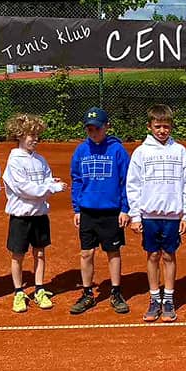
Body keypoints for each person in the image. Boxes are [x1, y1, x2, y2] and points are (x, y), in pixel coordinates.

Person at [126, 105, 186, 323]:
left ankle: (169, 299)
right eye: (158, 126)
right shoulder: (141, 152)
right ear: (149, 127)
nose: (162, 130)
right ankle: (155, 298)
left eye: (166, 126)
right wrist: (135, 216)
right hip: (149, 215)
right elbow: (133, 185)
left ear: (171, 126)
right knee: (153, 256)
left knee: (168, 256)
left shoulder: (180, 151)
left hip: (173, 216)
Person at [69, 107, 131, 315]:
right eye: (89, 129)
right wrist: (77, 208)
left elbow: (126, 181)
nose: (93, 132)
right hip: (87, 211)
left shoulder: (117, 150)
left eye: (97, 128)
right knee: (86, 253)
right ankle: (87, 293)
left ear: (107, 127)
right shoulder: (81, 150)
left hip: (111, 211)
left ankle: (116, 292)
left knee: (113, 252)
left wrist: (125, 208)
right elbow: (77, 180)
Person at [2, 113, 66, 313]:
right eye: (32, 135)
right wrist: (51, 188)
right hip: (20, 217)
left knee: (39, 253)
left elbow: (46, 180)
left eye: (38, 135)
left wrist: (51, 183)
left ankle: (39, 289)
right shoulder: (14, 161)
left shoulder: (40, 160)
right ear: (20, 135)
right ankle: (18, 292)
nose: (36, 139)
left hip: (39, 216)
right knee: (18, 255)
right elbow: (25, 189)